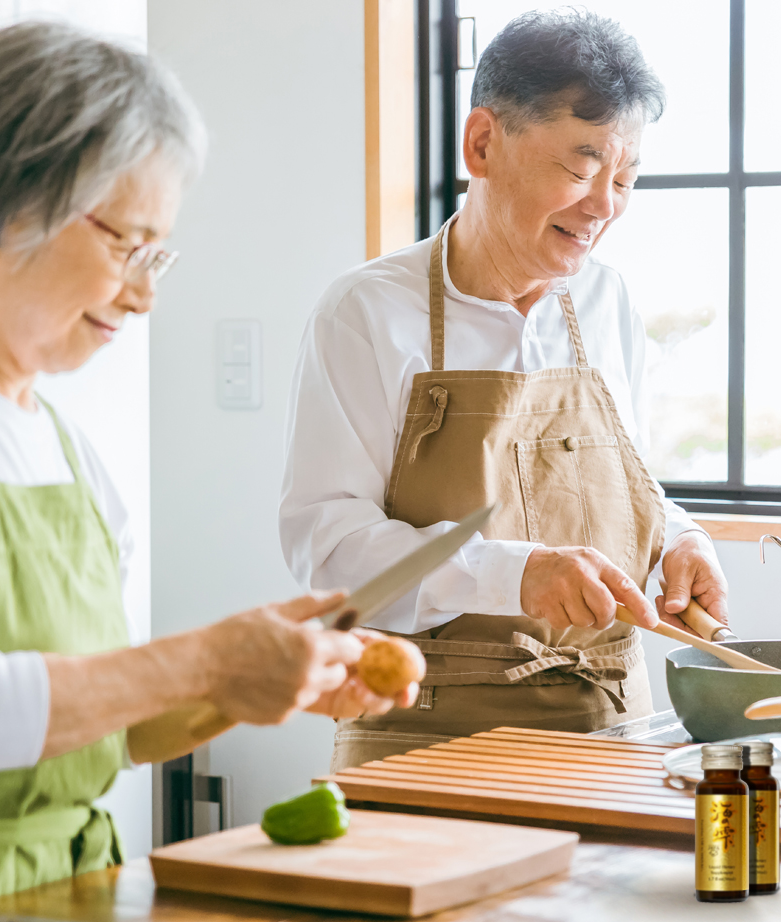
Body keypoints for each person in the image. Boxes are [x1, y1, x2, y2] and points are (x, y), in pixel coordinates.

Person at [0, 23, 416, 922]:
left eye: (157, 255)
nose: (144, 295)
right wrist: (212, 656)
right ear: (3, 209)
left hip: (69, 889)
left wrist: (253, 681)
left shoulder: (62, 443)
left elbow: (113, 720)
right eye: (125, 245)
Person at [280, 10, 729, 771]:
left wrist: (681, 539)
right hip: (426, 739)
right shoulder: (366, 313)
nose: (605, 206)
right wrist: (514, 574)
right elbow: (329, 552)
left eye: (625, 179)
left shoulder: (608, 302)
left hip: (613, 731)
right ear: (482, 143)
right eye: (583, 170)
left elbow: (633, 487)